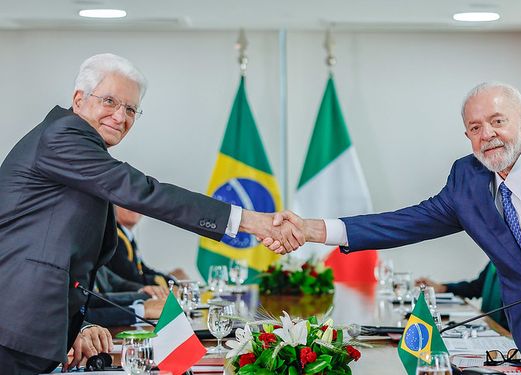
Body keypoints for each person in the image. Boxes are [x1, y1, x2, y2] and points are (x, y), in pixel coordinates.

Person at [266, 82, 521, 375]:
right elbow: (405, 223)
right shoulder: (467, 178)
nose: (488, 135)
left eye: (498, 121)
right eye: (476, 128)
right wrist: (313, 229)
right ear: (466, 134)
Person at [0, 53, 303, 374]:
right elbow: (144, 192)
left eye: (131, 109)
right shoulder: (63, 137)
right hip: (16, 323)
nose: (120, 116)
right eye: (109, 102)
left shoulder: (72, 144)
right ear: (79, 99)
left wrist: (79, 324)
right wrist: (250, 221)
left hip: (32, 325)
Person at [107, 206, 187, 287]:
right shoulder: (113, 236)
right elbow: (129, 276)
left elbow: (142, 269)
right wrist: (166, 281)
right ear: (115, 206)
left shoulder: (127, 237)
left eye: (137, 203)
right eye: (127, 202)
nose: (133, 206)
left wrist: (170, 278)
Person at [415, 261, 508, 330]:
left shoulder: (514, 262)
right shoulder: (493, 261)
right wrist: (443, 288)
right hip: (488, 326)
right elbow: (475, 288)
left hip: (506, 332)